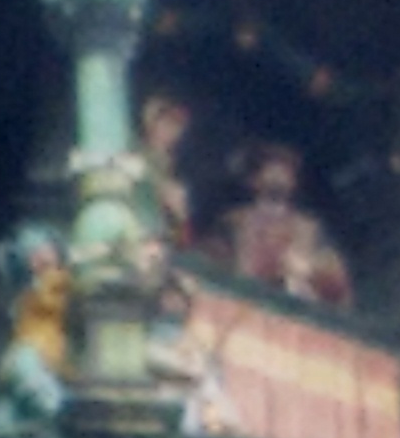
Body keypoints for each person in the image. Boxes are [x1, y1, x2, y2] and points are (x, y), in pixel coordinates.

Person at [212, 143, 353, 310]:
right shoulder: (233, 223)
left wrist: (310, 272)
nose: (278, 178)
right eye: (271, 172)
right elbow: (211, 269)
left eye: (285, 173)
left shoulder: (310, 230)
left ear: (294, 182)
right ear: (253, 180)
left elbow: (339, 293)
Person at [0, 229, 73, 417]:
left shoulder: (58, 281)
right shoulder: (28, 289)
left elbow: (51, 300)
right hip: (24, 352)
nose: (39, 258)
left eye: (45, 252)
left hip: (43, 350)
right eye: (34, 254)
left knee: (28, 369)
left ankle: (57, 406)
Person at [135, 91, 197, 249]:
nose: (175, 131)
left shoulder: (172, 164)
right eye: (169, 122)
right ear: (151, 121)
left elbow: (182, 236)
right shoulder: (135, 154)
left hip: (162, 242)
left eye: (180, 124)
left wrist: (181, 217)